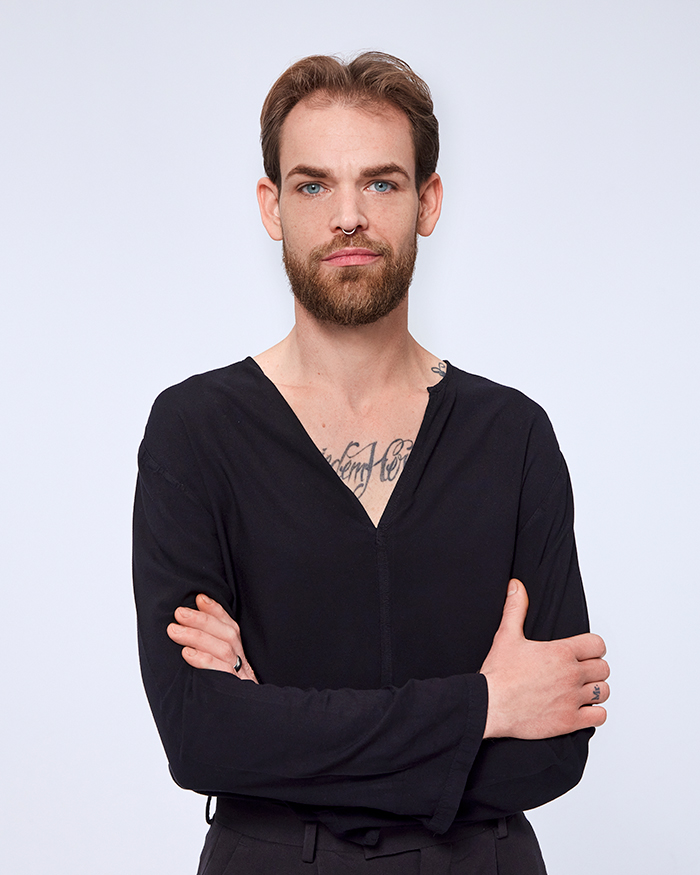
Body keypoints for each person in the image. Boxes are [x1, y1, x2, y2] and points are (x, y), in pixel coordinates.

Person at [133, 52, 610, 874]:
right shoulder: (194, 431)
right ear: (272, 206)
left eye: (381, 183)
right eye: (313, 185)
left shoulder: (513, 435)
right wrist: (486, 704)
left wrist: (276, 730)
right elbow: (201, 737)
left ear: (428, 201)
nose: (348, 216)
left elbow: (550, 752)